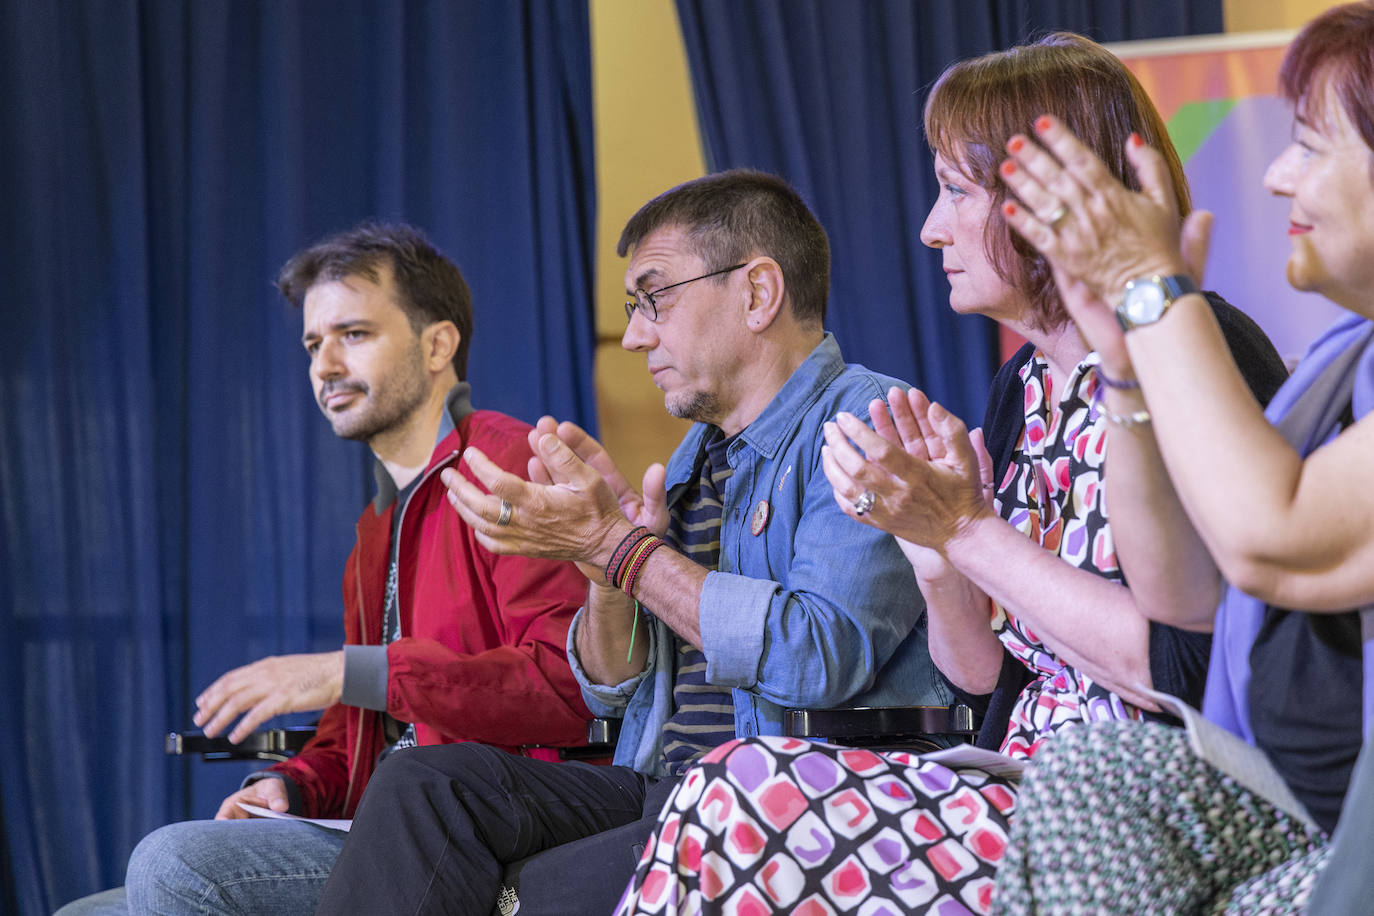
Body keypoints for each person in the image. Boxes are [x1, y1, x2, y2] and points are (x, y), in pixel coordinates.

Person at [608, 34, 1289, 916]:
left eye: (956, 192)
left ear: (1047, 202)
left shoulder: (1199, 347)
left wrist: (970, 532)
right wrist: (932, 551)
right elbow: (983, 679)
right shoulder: (1024, 385)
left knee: (736, 798)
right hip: (1018, 776)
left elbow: (1189, 668)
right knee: (723, 786)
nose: (931, 227)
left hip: (1152, 794)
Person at [310, 169, 952, 916]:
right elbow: (609, 685)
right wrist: (604, 576)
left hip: (788, 788)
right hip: (662, 780)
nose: (639, 332)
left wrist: (625, 552)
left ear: (756, 292)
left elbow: (816, 657)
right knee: (424, 785)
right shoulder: (696, 455)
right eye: (633, 307)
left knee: (538, 889)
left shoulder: (866, 423)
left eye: (655, 297)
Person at [55, 223, 593, 915]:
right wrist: (296, 786)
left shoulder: (511, 465)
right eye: (314, 343)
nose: (325, 364)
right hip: (381, 824)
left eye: (354, 334)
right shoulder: (377, 524)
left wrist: (352, 668)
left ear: (438, 344)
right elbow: (359, 728)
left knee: (171, 864)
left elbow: (567, 690)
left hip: (479, 834)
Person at [990, 2, 1374, 912]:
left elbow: (1270, 538)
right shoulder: (1339, 364)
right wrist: (1125, 375)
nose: (1280, 175)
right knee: (1093, 774)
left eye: (1313, 145)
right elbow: (1191, 601)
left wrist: (1151, 291)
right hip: (1286, 806)